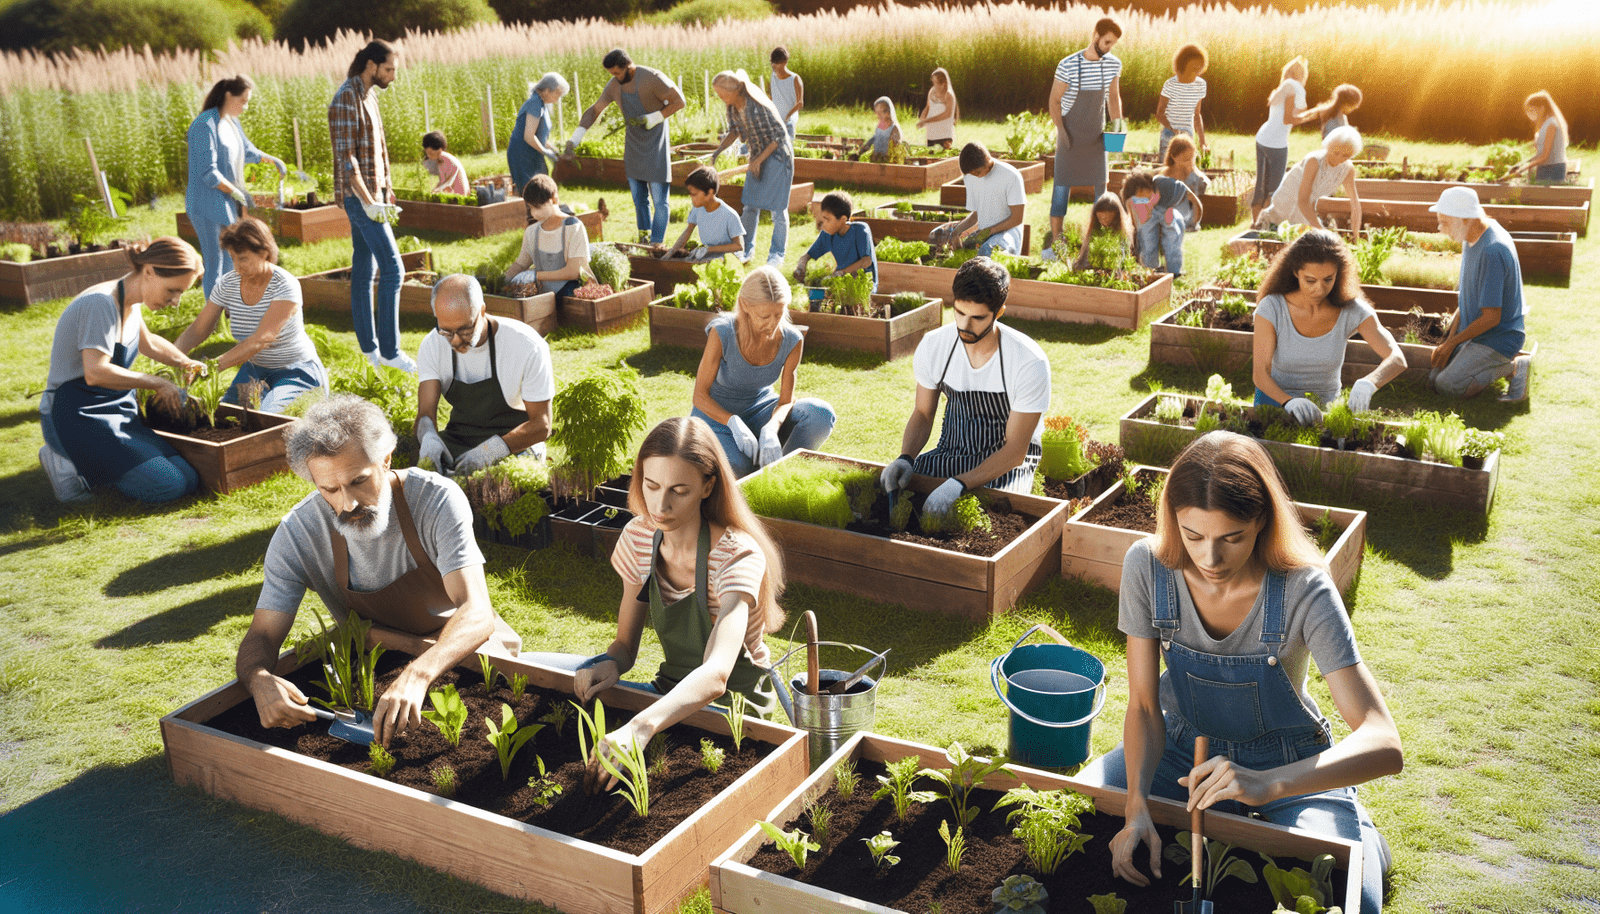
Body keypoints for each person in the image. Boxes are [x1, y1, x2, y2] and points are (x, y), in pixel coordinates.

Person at [1077, 431, 1402, 914]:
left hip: (1287, 765)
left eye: (1232, 538)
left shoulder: (1305, 589)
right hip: (1180, 754)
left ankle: (1361, 834)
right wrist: (1138, 804)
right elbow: (1145, 705)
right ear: (1174, 522)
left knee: (1352, 901)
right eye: (1194, 537)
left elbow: (1384, 743)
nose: (1210, 559)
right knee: (1079, 823)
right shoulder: (1146, 565)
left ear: (1262, 521)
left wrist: (1268, 785)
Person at [235, 394, 523, 748]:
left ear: (385, 460)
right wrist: (258, 677)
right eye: (329, 489)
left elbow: (477, 612)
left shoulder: (435, 499)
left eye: (358, 481)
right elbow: (262, 635)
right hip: (375, 657)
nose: (348, 503)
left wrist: (417, 674)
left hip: (459, 645)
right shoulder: (298, 533)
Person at [568, 415, 789, 790]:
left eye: (679, 490)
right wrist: (608, 664)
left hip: (735, 715)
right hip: (670, 695)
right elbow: (625, 647)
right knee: (545, 672)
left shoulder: (736, 556)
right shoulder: (639, 538)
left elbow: (718, 674)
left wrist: (639, 727)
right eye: (651, 486)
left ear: (707, 487)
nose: (661, 504)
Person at [38, 237, 204, 504]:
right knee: (169, 486)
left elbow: (148, 344)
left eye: (181, 293)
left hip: (114, 406)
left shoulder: (130, 301)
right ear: (148, 271)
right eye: (173, 291)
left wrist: (185, 362)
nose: (176, 302)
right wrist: (157, 383)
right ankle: (64, 461)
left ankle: (95, 463)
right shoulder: (101, 304)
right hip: (74, 413)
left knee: (189, 478)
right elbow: (95, 372)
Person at [881, 257, 1051, 514]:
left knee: (999, 514)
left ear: (999, 312)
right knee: (891, 498)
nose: (965, 326)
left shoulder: (1029, 361)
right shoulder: (934, 345)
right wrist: (906, 457)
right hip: (952, 451)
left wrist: (958, 485)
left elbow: (1016, 450)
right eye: (959, 313)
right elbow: (924, 413)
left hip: (1006, 462)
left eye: (977, 318)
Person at [691, 267, 837, 477]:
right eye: (764, 315)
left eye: (778, 314)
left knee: (821, 414)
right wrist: (732, 421)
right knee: (738, 467)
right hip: (715, 417)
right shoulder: (722, 332)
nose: (772, 323)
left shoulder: (792, 340)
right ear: (745, 305)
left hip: (761, 410)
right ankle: (754, 474)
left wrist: (771, 427)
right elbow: (699, 396)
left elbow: (786, 401)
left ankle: (781, 475)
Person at [174, 217, 327, 415]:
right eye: (232, 258)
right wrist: (173, 358)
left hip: (296, 371)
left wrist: (209, 368)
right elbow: (199, 329)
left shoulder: (285, 285)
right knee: (228, 417)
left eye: (243, 258)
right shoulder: (227, 284)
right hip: (256, 371)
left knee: (268, 417)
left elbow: (261, 339)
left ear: (264, 253)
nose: (236, 266)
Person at [1251, 229, 1405, 423]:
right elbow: (1260, 374)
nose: (1319, 289)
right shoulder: (1272, 307)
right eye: (1310, 280)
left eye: (1328, 279)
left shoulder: (1351, 310)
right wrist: (1289, 401)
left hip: (1326, 410)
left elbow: (1397, 359)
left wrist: (1369, 382)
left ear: (1338, 274)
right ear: (1295, 272)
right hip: (1276, 402)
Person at [416, 274, 554, 477]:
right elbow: (425, 413)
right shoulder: (432, 345)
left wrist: (490, 452)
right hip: (460, 438)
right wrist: (428, 437)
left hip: (515, 442)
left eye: (464, 330)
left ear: (482, 310)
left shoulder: (526, 346)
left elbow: (541, 425)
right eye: (446, 331)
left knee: (502, 487)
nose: (455, 341)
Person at [329, 40, 413, 374]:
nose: (393, 76)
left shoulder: (370, 96)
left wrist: (386, 191)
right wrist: (368, 201)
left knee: (365, 270)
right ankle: (391, 352)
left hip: (375, 197)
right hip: (359, 199)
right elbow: (346, 159)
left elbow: (379, 149)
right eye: (389, 69)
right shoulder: (345, 99)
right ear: (371, 66)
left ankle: (370, 353)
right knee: (394, 270)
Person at [566, 49, 686, 244]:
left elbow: (679, 101)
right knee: (639, 199)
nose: (614, 77)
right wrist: (575, 138)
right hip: (633, 147)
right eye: (611, 74)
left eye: (617, 73)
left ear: (629, 66)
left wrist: (653, 118)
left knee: (660, 201)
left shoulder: (652, 78)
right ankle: (644, 238)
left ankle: (657, 242)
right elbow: (595, 110)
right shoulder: (614, 86)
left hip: (656, 145)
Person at [185, 74, 287, 299]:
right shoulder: (204, 125)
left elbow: (248, 151)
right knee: (215, 261)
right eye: (243, 101)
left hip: (226, 203)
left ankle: (229, 308)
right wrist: (235, 192)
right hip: (205, 203)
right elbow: (208, 173)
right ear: (228, 95)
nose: (246, 107)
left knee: (232, 259)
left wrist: (273, 161)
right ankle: (214, 317)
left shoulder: (231, 122)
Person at [1427, 186, 1529, 402]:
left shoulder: (1493, 250)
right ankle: (1493, 365)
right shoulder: (1471, 237)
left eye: (1444, 222)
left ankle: (1514, 366)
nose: (1440, 228)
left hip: (1499, 337)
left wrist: (1451, 345)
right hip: (1477, 334)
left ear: (1465, 219)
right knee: (1433, 378)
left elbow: (1492, 318)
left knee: (1448, 385)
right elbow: (1465, 300)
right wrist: (1449, 340)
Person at [1048, 16, 1125, 250]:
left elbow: (1113, 97)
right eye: (1107, 43)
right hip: (1069, 133)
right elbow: (1054, 100)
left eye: (1113, 44)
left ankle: (1099, 235)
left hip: (1096, 135)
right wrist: (1061, 131)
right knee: (1062, 185)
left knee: (1102, 184)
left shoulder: (1113, 64)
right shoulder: (1068, 64)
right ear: (1095, 36)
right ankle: (1057, 238)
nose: (1109, 48)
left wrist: (1118, 127)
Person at [706, 69, 793, 266]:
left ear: (733, 90)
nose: (719, 98)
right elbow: (735, 131)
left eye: (721, 94)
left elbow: (778, 137)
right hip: (758, 154)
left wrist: (758, 161)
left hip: (779, 156)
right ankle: (744, 250)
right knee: (750, 206)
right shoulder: (732, 107)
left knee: (778, 209)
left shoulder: (757, 105)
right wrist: (717, 151)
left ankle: (776, 255)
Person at [1256, 127, 1364, 234]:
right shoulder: (1314, 161)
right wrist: (1322, 231)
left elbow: (1355, 206)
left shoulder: (1347, 169)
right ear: (1328, 146)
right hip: (1285, 207)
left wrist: (1356, 236)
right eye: (1336, 153)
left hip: (1306, 210)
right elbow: (1303, 200)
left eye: (1345, 156)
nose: (1339, 159)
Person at [503, 174, 590, 299]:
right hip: (541, 298)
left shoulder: (573, 227)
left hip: (571, 298)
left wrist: (536, 275)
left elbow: (574, 271)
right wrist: (505, 279)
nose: (534, 213)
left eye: (538, 207)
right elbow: (521, 264)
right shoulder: (531, 232)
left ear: (554, 200)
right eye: (531, 208)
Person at [932, 142, 1026, 256]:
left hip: (1008, 232)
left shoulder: (1011, 176)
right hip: (984, 233)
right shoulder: (973, 178)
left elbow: (1017, 218)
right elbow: (976, 215)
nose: (976, 176)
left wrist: (988, 231)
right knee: (953, 246)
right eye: (972, 175)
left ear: (987, 158)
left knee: (988, 250)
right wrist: (955, 233)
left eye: (977, 172)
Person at [1252, 57, 1311, 224]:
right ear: (1302, 75)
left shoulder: (1282, 87)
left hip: (1262, 138)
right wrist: (1311, 116)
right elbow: (1289, 119)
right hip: (1277, 143)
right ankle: (1267, 223)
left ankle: (1255, 222)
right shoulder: (1296, 88)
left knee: (1261, 184)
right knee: (1275, 188)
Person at [1121, 168, 1203, 277]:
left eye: (1140, 195)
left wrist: (1196, 218)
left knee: (1171, 236)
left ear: (1142, 188)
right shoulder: (1148, 196)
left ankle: (1173, 270)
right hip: (1163, 208)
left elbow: (1190, 196)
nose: (1141, 200)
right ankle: (1150, 268)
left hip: (1180, 210)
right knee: (1148, 233)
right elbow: (1140, 214)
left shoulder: (1164, 185)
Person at [793, 191, 877, 291]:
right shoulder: (828, 234)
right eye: (823, 219)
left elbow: (866, 261)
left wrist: (841, 272)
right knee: (815, 295)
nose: (824, 224)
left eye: (828, 219)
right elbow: (809, 254)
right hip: (840, 285)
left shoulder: (860, 230)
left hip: (863, 288)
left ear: (843, 219)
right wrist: (801, 266)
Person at [665, 166, 745, 262]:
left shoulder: (730, 215)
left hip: (729, 259)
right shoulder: (697, 209)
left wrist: (708, 250)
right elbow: (687, 231)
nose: (691, 198)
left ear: (710, 192)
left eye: (694, 194)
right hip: (708, 255)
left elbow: (738, 246)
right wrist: (671, 252)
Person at [508, 73, 569, 191]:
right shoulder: (535, 103)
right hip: (523, 155)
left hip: (533, 153)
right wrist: (546, 152)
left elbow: (539, 136)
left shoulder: (542, 104)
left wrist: (553, 149)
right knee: (532, 191)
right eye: (557, 94)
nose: (558, 98)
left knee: (543, 188)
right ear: (547, 90)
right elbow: (529, 136)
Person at [1156, 43, 1207, 160]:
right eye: (1194, 69)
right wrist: (1173, 129)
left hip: (1188, 135)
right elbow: (1159, 114)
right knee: (1167, 171)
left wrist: (1202, 141)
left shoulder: (1200, 85)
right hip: (1169, 135)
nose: (1197, 73)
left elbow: (1197, 115)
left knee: (1185, 171)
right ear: (1183, 65)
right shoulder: (1170, 84)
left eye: (1199, 69)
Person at [1511, 91, 1568, 184]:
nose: (1529, 113)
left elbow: (1545, 155)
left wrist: (1524, 168)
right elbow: (1540, 154)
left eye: (1531, 110)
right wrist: (1521, 165)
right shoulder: (1544, 125)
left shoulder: (1551, 124)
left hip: (1554, 170)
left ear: (1542, 108)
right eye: (1528, 110)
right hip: (1544, 168)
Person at [1071, 192, 1133, 270]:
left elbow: (1125, 257)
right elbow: (1085, 255)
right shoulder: (1094, 232)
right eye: (1100, 218)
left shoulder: (1122, 234)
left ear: (1116, 216)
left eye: (1107, 218)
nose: (1104, 222)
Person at [1162, 133, 1210, 233]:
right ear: (1173, 157)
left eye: (1191, 159)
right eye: (1185, 160)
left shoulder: (1194, 176)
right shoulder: (1167, 174)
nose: (1188, 163)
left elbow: (1197, 203)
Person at [916, 67, 959, 149]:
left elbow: (947, 114)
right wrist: (923, 117)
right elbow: (928, 106)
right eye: (933, 82)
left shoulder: (949, 95)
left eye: (935, 83)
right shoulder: (932, 91)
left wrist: (927, 120)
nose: (934, 85)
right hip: (931, 135)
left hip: (945, 135)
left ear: (943, 84)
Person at [768, 47, 803, 140]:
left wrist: (788, 116)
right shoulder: (773, 77)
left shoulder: (795, 79)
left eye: (776, 63)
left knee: (789, 127)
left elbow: (800, 103)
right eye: (772, 63)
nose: (773, 66)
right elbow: (771, 97)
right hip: (777, 115)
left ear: (784, 62)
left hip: (791, 115)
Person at [855, 97, 903, 162]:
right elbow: (876, 138)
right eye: (877, 113)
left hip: (888, 160)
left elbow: (895, 144)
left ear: (888, 113)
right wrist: (866, 147)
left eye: (880, 113)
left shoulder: (894, 128)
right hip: (877, 158)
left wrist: (886, 153)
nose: (878, 116)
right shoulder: (880, 127)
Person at [422, 131, 469, 195]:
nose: (429, 156)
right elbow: (442, 181)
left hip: (460, 194)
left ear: (439, 149)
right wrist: (434, 190)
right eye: (427, 153)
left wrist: (437, 190)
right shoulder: (440, 161)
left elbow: (449, 181)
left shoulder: (447, 159)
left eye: (430, 153)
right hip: (453, 193)